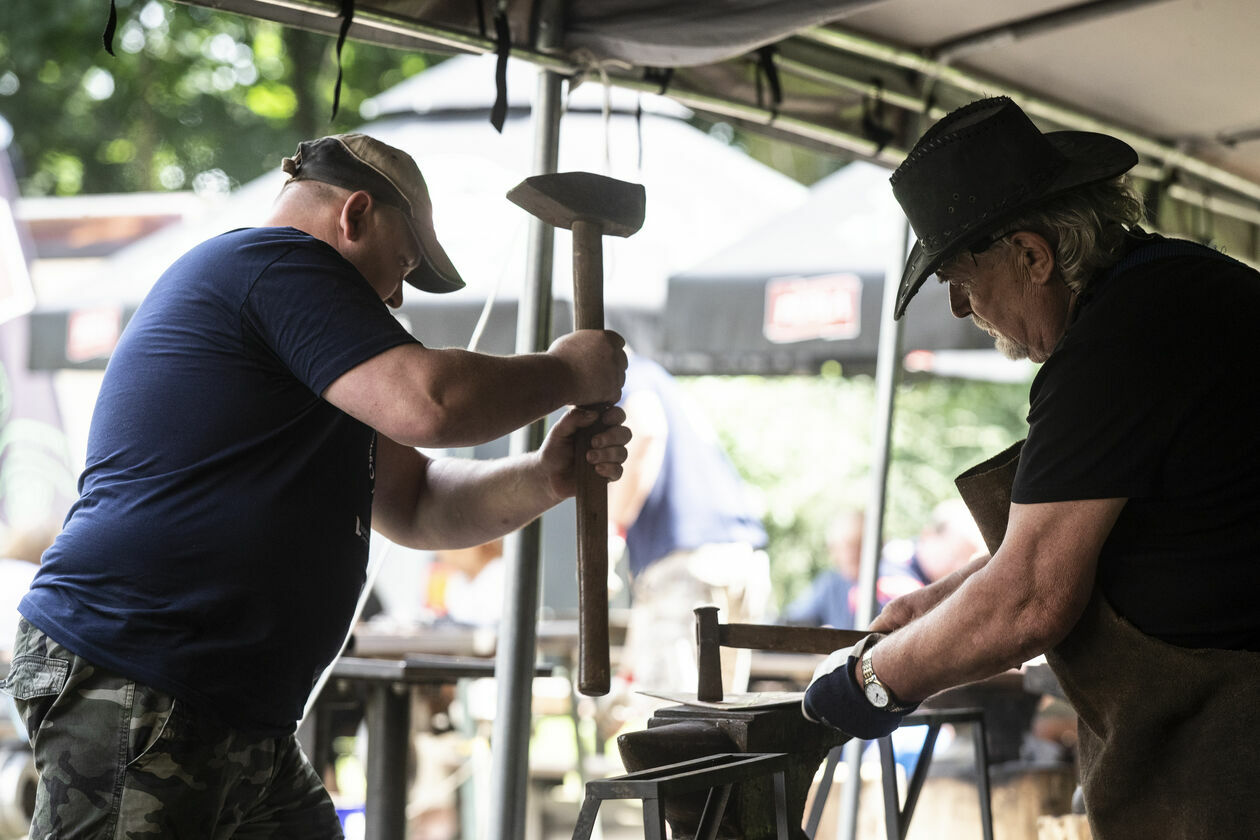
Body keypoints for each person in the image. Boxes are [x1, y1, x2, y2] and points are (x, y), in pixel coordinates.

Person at [2, 133, 631, 839]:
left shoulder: (316, 347)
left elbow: (418, 504)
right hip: (140, 672)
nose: (394, 296)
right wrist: (568, 371)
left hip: (228, 707)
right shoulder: (276, 265)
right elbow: (434, 403)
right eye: (401, 267)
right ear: (355, 215)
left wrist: (546, 477)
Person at [802, 97, 1260, 839]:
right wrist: (933, 609)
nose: (960, 308)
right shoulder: (1173, 294)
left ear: (1033, 254)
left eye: (961, 277)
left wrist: (871, 686)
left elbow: (1031, 599)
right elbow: (1081, 540)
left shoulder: (1121, 345)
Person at [608, 351, 769, 696]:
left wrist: (612, 527)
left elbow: (646, 431)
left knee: (675, 720)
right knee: (720, 721)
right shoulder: (663, 382)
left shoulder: (626, 377)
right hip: (738, 558)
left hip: (687, 566)